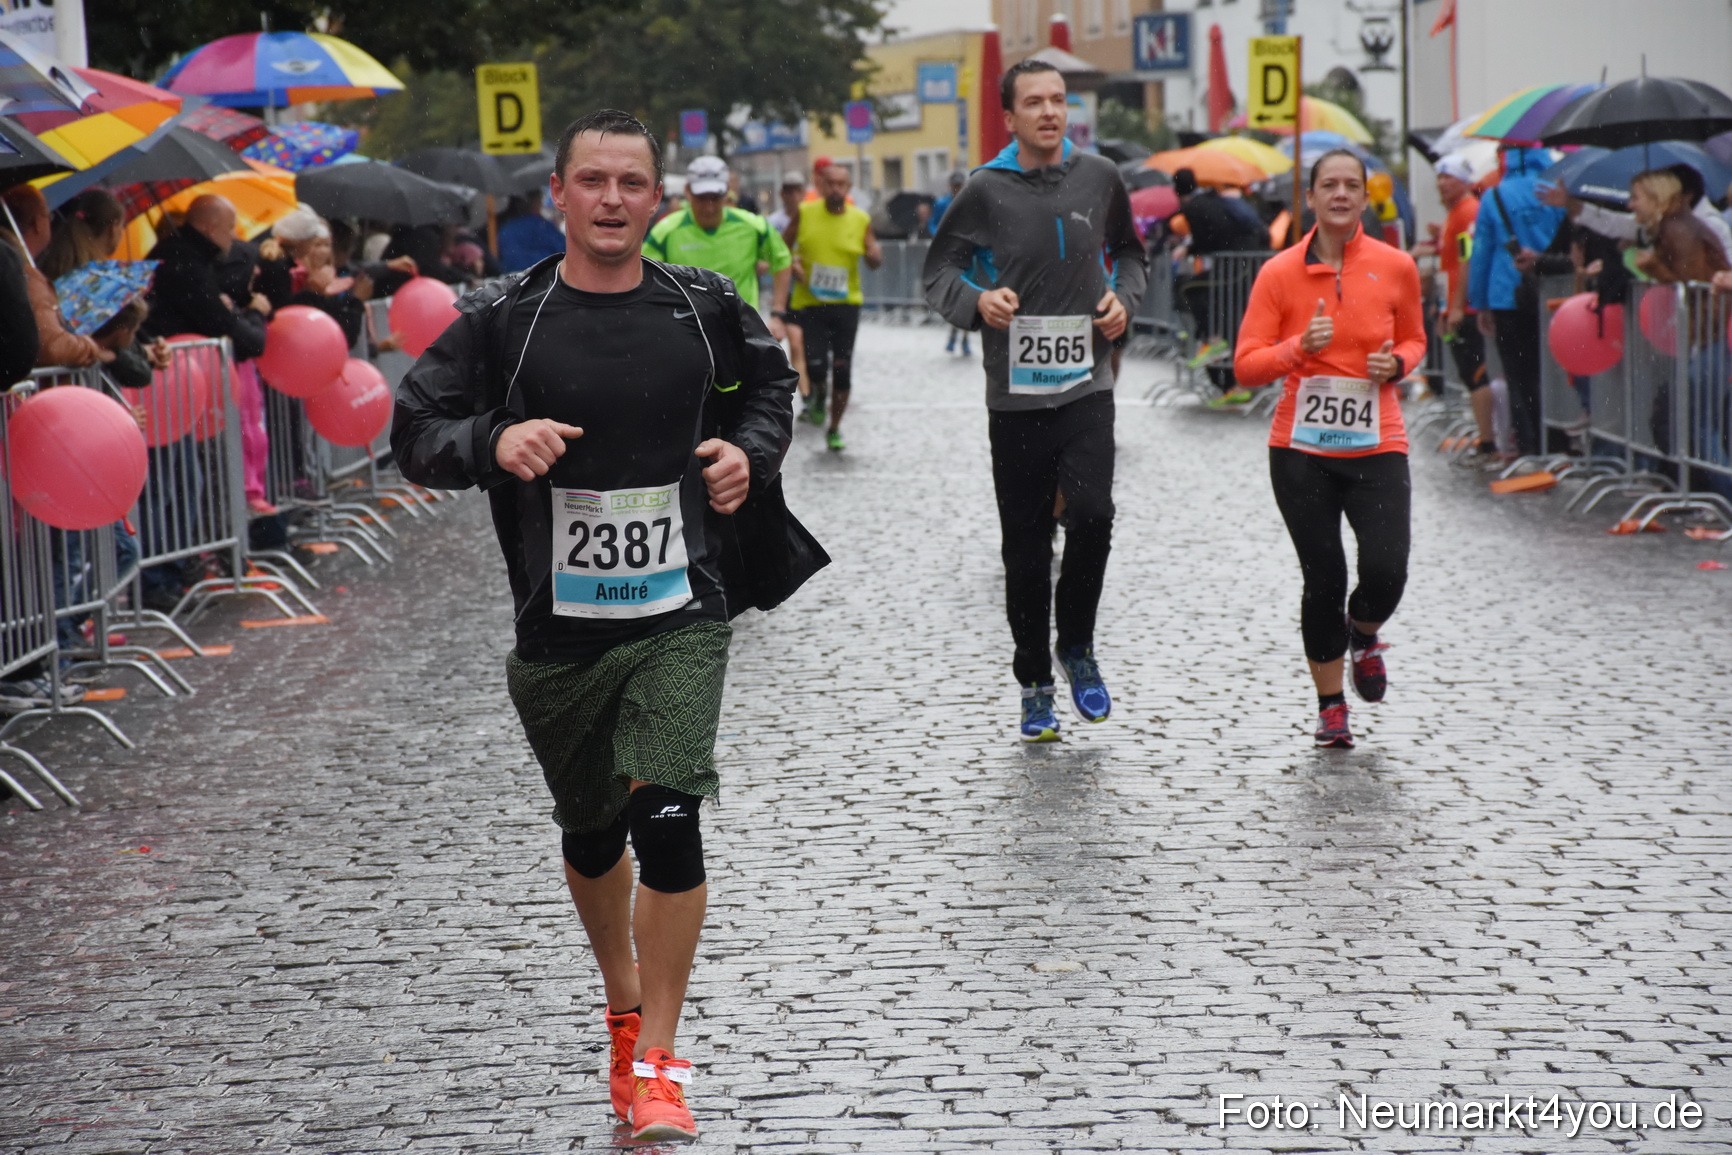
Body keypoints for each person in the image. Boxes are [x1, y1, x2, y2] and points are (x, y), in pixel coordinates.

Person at [391, 109, 815, 1143]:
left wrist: (746, 456)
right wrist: (496, 438)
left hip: (685, 605)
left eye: (632, 182)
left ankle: (662, 1063)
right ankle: (624, 1009)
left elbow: (771, 387)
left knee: (668, 814)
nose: (614, 199)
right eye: (594, 181)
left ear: (659, 199)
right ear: (559, 195)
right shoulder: (504, 316)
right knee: (591, 831)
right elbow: (414, 429)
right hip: (557, 626)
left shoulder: (703, 304)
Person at [924, 58, 1148, 742]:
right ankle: (1034, 682)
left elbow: (1132, 255)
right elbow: (939, 270)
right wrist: (978, 301)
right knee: (1023, 549)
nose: (1050, 112)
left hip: (1087, 385)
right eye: (1035, 102)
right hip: (1015, 399)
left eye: (1058, 100)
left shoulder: (1102, 176)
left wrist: (1124, 302)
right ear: (1011, 116)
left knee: (1093, 514)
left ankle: (1075, 644)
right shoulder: (987, 189)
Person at [1233, 149, 1426, 749]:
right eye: (1329, 186)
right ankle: (1330, 704)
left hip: (1377, 443)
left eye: (1352, 185)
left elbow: (1418, 338)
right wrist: (1296, 348)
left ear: (1365, 198)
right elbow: (1245, 367)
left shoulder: (1396, 267)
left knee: (1386, 570)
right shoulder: (1279, 273)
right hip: (1301, 448)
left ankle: (1363, 631)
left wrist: (1396, 363)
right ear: (1310, 199)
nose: (1341, 194)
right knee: (1323, 575)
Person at [1467, 146, 1565, 459]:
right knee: (1557, 371)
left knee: (1519, 376)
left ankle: (1529, 444)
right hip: (1557, 292)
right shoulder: (1558, 189)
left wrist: (1479, 302)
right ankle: (1559, 440)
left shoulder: (1494, 196)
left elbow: (1480, 253)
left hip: (1507, 295)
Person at [788, 161, 881, 450]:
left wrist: (874, 254)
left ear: (849, 188)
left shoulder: (860, 219)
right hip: (812, 304)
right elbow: (781, 247)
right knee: (815, 366)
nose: (836, 189)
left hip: (846, 305)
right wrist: (792, 263)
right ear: (820, 186)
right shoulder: (804, 213)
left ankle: (834, 427)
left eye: (841, 184)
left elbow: (873, 255)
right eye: (830, 184)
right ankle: (816, 393)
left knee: (842, 370)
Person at [646, 156, 792, 333]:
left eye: (715, 197)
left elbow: (782, 260)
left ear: (727, 192)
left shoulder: (753, 226)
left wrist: (778, 313)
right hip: (688, 330)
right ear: (688, 191)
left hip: (741, 329)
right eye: (701, 198)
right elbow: (644, 276)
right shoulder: (665, 231)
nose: (709, 207)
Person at [1430, 155, 1494, 459]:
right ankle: (1486, 437)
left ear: (1465, 181)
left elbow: (1467, 259)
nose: (1442, 183)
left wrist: (1455, 307)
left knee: (1474, 372)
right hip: (1455, 306)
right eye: (1439, 177)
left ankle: (1489, 440)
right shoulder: (1455, 212)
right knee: (1468, 373)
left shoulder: (1468, 210)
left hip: (1465, 309)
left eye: (1449, 177)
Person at [766, 172, 810, 402]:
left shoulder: (813, 218)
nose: (793, 196)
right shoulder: (774, 222)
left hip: (814, 295)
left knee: (814, 348)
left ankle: (815, 389)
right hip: (788, 294)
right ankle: (803, 393)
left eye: (798, 190)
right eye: (789, 190)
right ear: (782, 193)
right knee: (794, 343)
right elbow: (769, 259)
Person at [928, 171, 972, 357]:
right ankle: (954, 335)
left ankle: (964, 338)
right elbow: (932, 224)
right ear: (950, 186)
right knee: (954, 295)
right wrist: (941, 235)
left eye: (959, 185)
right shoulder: (942, 204)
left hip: (968, 255)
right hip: (948, 256)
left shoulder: (970, 202)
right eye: (954, 186)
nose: (957, 189)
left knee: (967, 297)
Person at [497, 192, 567, 273]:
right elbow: (564, 250)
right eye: (540, 200)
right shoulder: (542, 226)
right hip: (543, 274)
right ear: (535, 202)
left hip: (512, 278)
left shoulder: (506, 229)